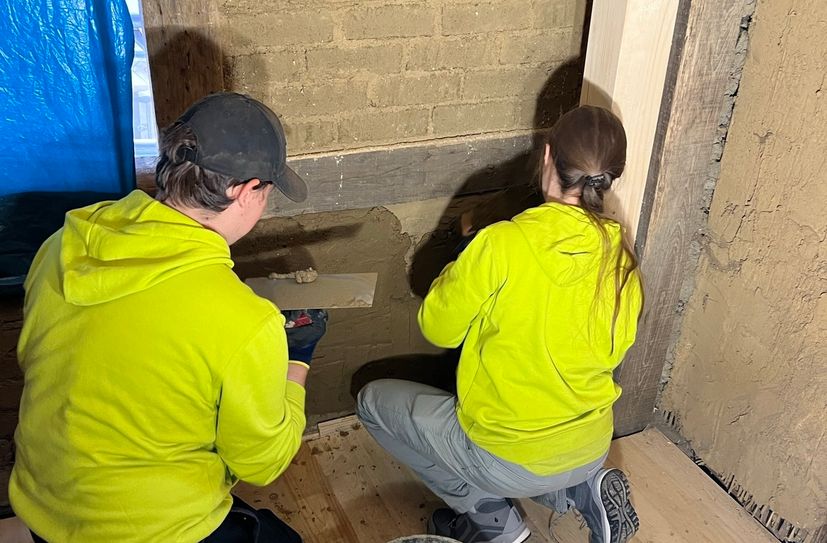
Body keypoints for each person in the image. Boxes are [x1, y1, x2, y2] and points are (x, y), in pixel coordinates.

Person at [10, 92, 326, 542]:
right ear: (244, 191)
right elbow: (263, 463)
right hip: (147, 528)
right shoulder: (244, 321)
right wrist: (296, 361)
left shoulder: (64, 243)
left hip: (44, 503)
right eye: (268, 192)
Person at [357, 105, 644, 543]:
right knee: (548, 453)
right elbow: (613, 350)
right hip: (589, 445)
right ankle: (585, 487)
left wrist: (464, 266)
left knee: (373, 402)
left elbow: (437, 327)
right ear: (610, 178)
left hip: (504, 456)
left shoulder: (502, 243)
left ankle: (494, 520)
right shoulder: (620, 257)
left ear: (547, 157)